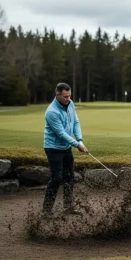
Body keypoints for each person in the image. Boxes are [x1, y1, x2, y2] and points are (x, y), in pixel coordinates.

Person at [43, 82, 88, 216]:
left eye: (69, 96)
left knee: (69, 176)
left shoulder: (70, 104)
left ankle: (68, 207)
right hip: (53, 148)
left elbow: (75, 122)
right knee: (56, 178)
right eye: (65, 97)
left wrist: (80, 139)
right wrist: (77, 145)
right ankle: (46, 210)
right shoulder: (52, 112)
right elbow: (61, 134)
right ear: (57, 95)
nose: (68, 99)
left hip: (66, 147)